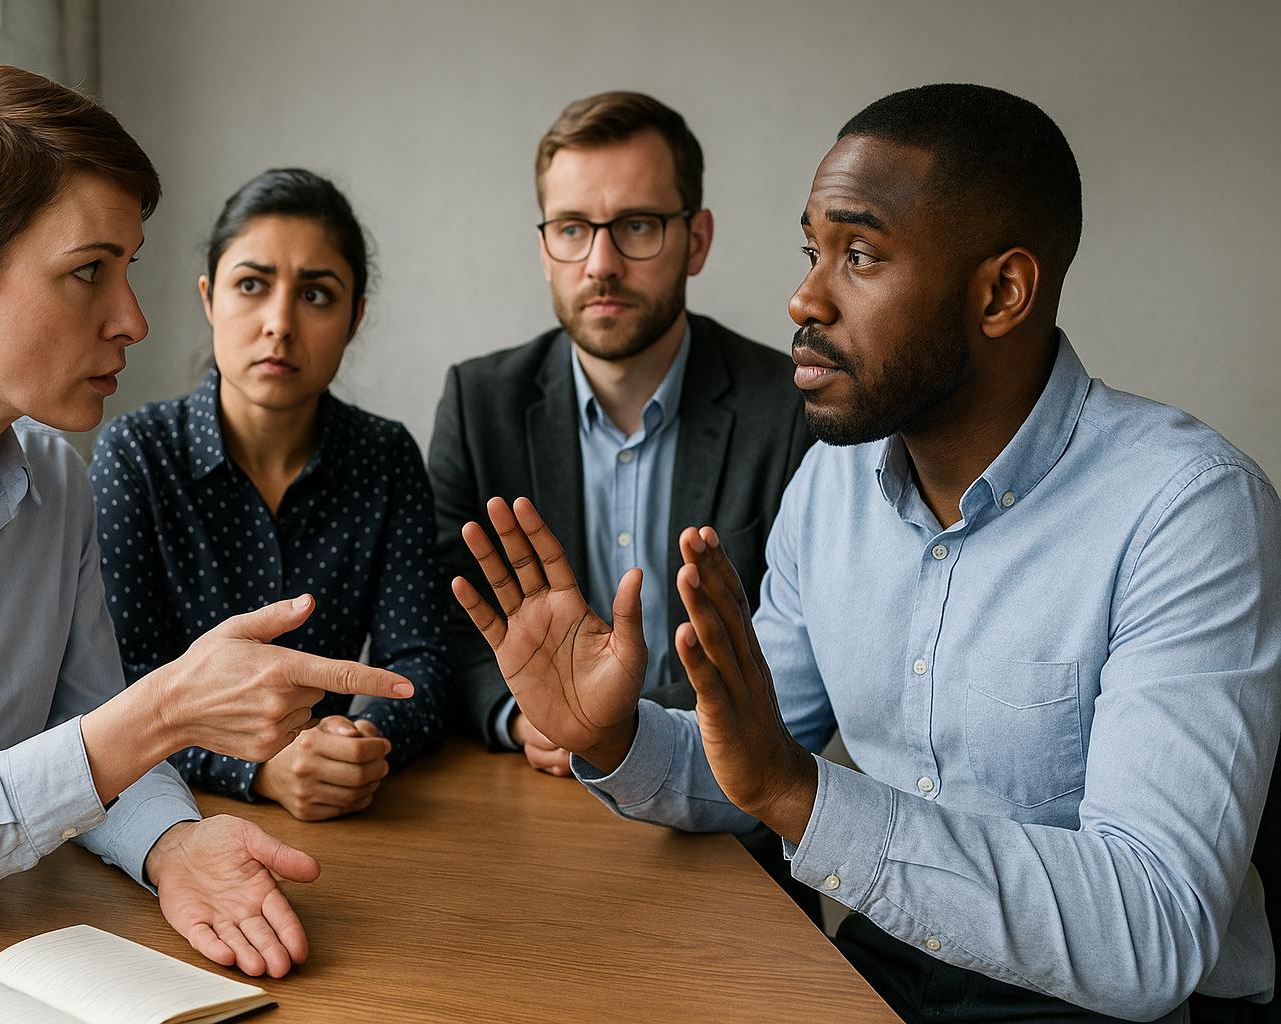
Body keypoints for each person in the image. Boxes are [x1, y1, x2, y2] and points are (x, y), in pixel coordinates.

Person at [453, 84, 1279, 1022]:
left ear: (1002, 291)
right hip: (889, 968)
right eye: (812, 251)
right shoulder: (831, 486)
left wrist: (800, 794)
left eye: (859, 255)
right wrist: (612, 735)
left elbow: (1153, 931)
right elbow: (749, 765)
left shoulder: (1189, 509)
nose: (804, 297)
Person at [0, 66, 412, 993]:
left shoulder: (54, 478)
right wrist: (165, 707)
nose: (133, 319)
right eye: (88, 272)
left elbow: (82, 728)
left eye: (129, 269)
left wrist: (173, 844)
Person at [429, 90, 812, 775]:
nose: (600, 263)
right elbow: (445, 617)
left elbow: (798, 657)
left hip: (729, 812)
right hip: (533, 797)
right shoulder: (477, 401)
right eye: (572, 228)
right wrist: (523, 714)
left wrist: (612, 730)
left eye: (636, 226)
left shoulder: (787, 410)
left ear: (696, 241)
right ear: (545, 248)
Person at [91, 169, 450, 822]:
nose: (279, 324)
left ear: (354, 318)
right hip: (168, 817)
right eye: (251, 286)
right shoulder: (136, 455)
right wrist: (257, 768)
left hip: (354, 814)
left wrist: (362, 744)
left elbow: (418, 659)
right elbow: (116, 689)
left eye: (317, 295)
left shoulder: (384, 456)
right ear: (209, 297)